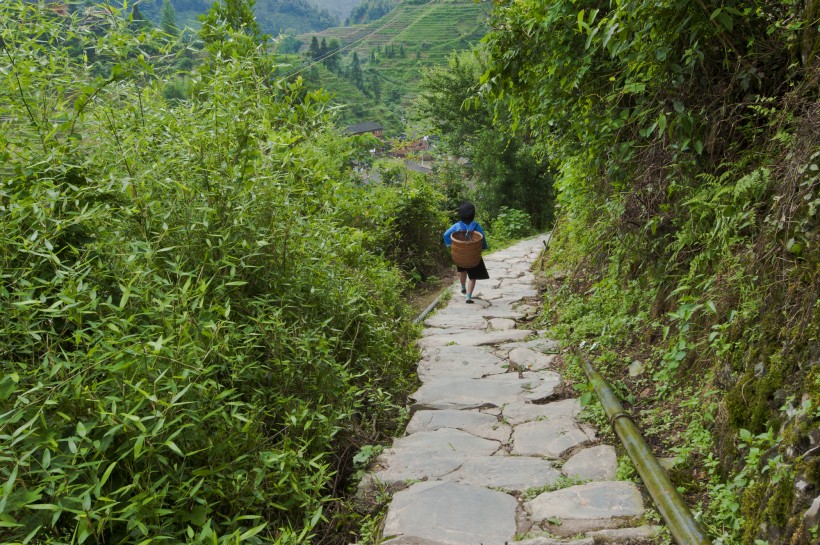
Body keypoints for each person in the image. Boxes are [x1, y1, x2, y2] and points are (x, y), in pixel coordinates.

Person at [443, 202, 489, 304]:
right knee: (472, 277)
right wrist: (484, 247)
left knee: (462, 271)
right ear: (473, 215)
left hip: (461, 256)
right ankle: (468, 297)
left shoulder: (456, 226)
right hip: (473, 256)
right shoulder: (476, 226)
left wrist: (450, 245)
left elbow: (446, 234)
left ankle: (463, 287)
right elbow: (482, 238)